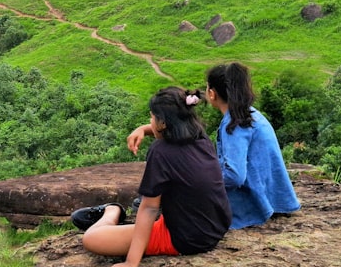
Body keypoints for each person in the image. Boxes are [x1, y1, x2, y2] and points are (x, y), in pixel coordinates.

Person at [71, 86, 232, 267]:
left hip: (184, 238)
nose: (150, 122)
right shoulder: (200, 137)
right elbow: (173, 130)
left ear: (163, 123)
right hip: (214, 227)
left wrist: (131, 262)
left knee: (92, 239)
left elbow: (149, 209)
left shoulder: (161, 151)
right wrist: (144, 130)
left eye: (152, 118)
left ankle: (112, 211)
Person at [127, 62, 300, 229]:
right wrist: (146, 129)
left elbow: (235, 176)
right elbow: (189, 133)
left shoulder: (234, 125)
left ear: (212, 93)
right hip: (272, 195)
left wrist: (204, 185)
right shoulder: (248, 114)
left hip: (255, 201)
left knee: (171, 199)